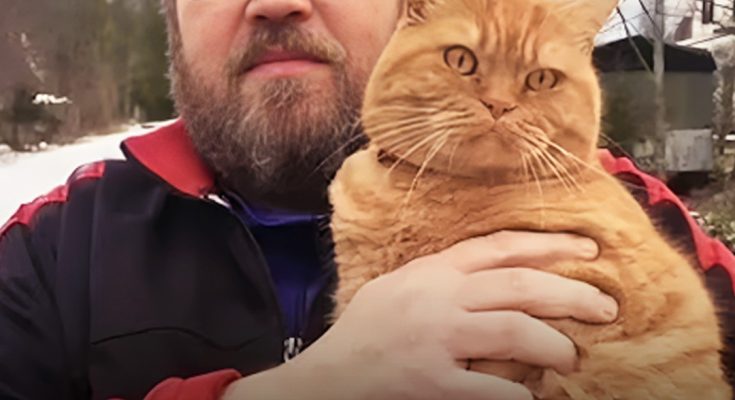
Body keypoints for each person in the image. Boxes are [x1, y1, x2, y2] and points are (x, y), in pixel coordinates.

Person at [0, 1, 733, 399]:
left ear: (406, 9)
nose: (278, 3)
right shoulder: (51, 250)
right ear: (172, 16)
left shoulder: (637, 213)